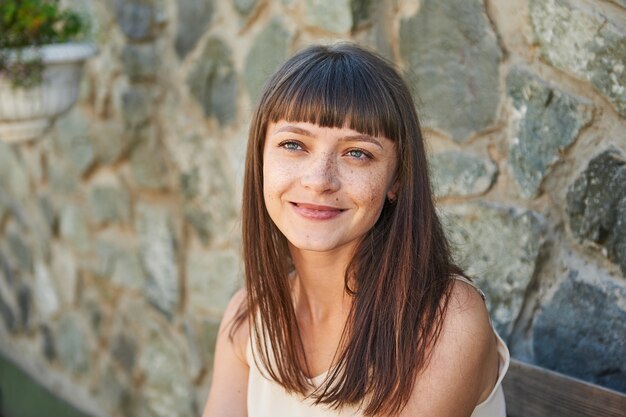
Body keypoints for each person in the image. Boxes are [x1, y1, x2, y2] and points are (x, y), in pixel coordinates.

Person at [202, 43, 509, 417]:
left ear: (396, 178)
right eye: (294, 144)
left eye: (357, 153)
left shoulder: (445, 319)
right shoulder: (250, 315)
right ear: (261, 160)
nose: (319, 180)